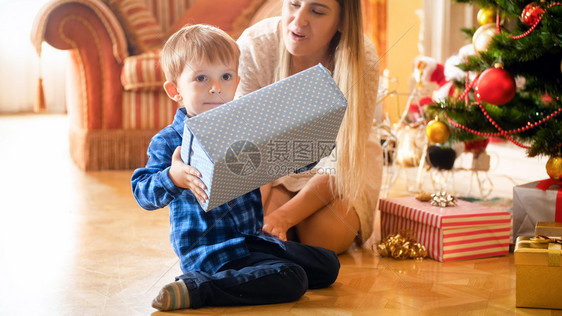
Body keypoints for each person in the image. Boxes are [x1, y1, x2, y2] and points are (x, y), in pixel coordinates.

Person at [131, 24, 340, 311]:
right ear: (175, 90)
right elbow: (142, 190)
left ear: (236, 81)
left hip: (251, 239)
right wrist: (172, 176)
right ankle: (200, 288)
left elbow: (278, 160)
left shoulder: (243, 124)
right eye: (201, 78)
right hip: (211, 252)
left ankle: (249, 274)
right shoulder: (169, 141)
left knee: (328, 265)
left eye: (225, 77)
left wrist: (311, 147)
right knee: (293, 279)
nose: (216, 88)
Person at [236, 0, 383, 254]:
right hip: (271, 166)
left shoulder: (362, 57)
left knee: (323, 237)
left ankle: (289, 228)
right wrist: (253, 211)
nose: (299, 20)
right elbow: (250, 146)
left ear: (342, 21)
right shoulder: (255, 45)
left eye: (316, 11)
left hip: (340, 168)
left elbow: (342, 160)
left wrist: (283, 217)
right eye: (294, 4)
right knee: (257, 228)